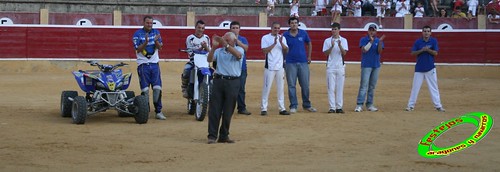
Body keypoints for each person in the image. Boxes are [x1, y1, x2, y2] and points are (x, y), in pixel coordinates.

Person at [206, 32, 244, 144]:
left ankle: (224, 135)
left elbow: (238, 56)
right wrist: (213, 47)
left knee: (228, 110)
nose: (225, 42)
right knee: (214, 110)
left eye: (228, 40)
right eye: (224, 40)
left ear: (233, 41)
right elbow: (209, 59)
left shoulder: (239, 50)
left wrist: (226, 45)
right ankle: (212, 136)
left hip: (233, 82)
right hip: (219, 80)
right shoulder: (219, 51)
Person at [132, 16, 165, 120]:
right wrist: (146, 42)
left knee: (157, 88)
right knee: (145, 90)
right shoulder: (137, 34)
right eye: (147, 23)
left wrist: (155, 41)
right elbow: (138, 49)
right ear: (144, 23)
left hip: (154, 64)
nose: (149, 25)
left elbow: (160, 47)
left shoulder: (156, 32)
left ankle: (158, 111)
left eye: (151, 23)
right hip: (143, 65)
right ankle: (145, 111)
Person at [405, 26, 445, 112]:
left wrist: (427, 50)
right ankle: (410, 105)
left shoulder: (433, 41)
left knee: (434, 88)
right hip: (419, 69)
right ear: (422, 32)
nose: (426, 33)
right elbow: (413, 53)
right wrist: (422, 50)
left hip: (430, 68)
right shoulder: (418, 42)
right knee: (415, 88)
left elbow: (435, 53)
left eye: (428, 31)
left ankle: (438, 105)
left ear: (430, 33)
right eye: (425, 31)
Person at [283, 17, 317, 113]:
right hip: (290, 63)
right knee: (291, 85)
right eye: (292, 23)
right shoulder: (285, 35)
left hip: (303, 62)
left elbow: (309, 43)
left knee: (305, 85)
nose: (294, 24)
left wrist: (309, 56)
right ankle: (293, 105)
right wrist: (283, 60)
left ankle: (307, 105)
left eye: (295, 23)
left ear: (298, 24)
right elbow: (282, 48)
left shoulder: (303, 33)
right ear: (289, 24)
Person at [260, 22, 290, 116]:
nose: (276, 30)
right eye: (275, 28)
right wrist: (274, 43)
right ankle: (264, 108)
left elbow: (286, 50)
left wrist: (281, 43)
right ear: (271, 28)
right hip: (270, 67)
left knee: (281, 88)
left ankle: (282, 108)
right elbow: (264, 50)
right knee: (266, 88)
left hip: (280, 67)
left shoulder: (282, 38)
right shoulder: (265, 38)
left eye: (278, 28)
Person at [354, 24, 385, 112]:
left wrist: (379, 43)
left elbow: (379, 52)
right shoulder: (364, 39)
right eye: (370, 30)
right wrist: (371, 42)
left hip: (376, 65)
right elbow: (364, 50)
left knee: (372, 86)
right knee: (364, 85)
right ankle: (359, 104)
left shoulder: (379, 40)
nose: (371, 32)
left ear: (376, 31)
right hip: (366, 65)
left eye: (373, 30)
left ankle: (369, 104)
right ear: (368, 31)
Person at [322, 22, 348, 114]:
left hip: (340, 66)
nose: (334, 31)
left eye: (335, 29)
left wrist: (340, 45)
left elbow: (344, 53)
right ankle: (332, 107)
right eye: (332, 29)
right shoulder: (327, 41)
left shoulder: (343, 40)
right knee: (331, 88)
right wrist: (332, 46)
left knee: (340, 88)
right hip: (330, 67)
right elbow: (325, 53)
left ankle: (339, 107)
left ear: (339, 30)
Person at [181, 20, 211, 99]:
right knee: (186, 70)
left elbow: (210, 51)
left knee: (212, 73)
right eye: (199, 28)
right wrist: (201, 48)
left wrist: (206, 47)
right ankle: (184, 87)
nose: (200, 30)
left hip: (204, 61)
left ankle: (210, 89)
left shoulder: (207, 38)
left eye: (202, 28)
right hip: (193, 61)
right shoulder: (190, 38)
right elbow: (190, 50)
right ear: (195, 27)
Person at [229, 21, 252, 115]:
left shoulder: (243, 39)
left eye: (236, 28)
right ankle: (228, 108)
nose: (235, 30)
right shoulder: (227, 39)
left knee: (241, 89)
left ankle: (241, 108)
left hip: (241, 68)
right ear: (230, 29)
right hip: (229, 68)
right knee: (229, 89)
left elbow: (246, 49)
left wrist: (237, 41)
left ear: (239, 29)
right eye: (233, 28)